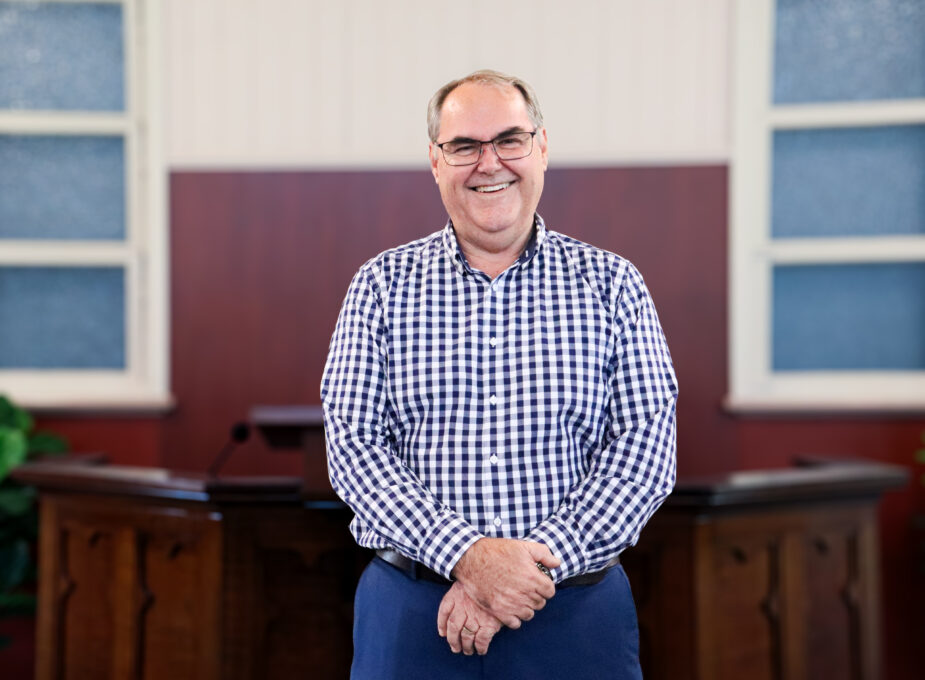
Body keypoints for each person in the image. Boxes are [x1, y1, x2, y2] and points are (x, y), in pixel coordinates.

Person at [321, 69, 677, 680]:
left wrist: (526, 571)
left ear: (542, 148)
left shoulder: (614, 285)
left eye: (510, 140)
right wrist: (466, 557)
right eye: (464, 146)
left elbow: (644, 453)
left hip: (575, 615)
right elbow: (354, 447)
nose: (490, 164)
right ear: (436, 162)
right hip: (414, 613)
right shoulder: (379, 287)